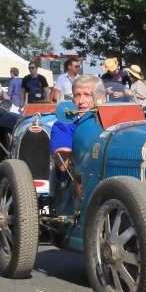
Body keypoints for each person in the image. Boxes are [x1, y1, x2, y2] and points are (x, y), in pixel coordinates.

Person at [50, 75, 100, 211]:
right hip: (73, 189)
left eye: (87, 95)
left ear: (100, 97)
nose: (81, 101)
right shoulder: (64, 125)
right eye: (77, 95)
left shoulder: (108, 123)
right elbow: (63, 162)